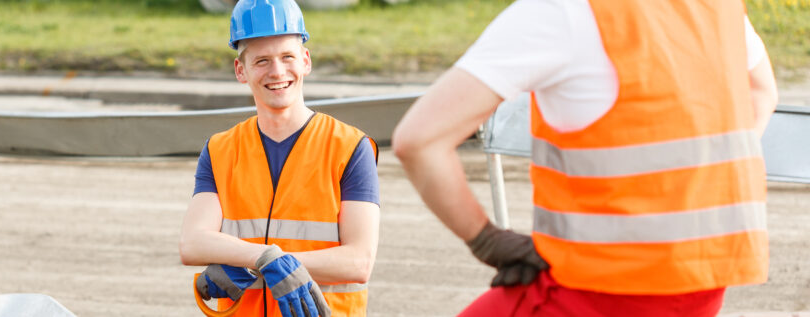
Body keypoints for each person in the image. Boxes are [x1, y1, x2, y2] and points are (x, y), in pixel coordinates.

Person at [392, 0, 777, 316]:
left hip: (590, 292)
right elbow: (762, 93)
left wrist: (486, 239)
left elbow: (419, 141)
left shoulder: (562, 12)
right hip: (702, 287)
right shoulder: (720, 7)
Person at [178, 0, 381, 316]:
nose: (277, 71)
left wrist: (260, 263)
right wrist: (264, 259)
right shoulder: (220, 150)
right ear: (240, 70)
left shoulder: (350, 147)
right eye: (261, 61)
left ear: (306, 61)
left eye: (287, 57)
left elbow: (359, 261)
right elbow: (192, 243)